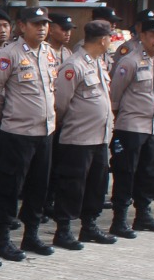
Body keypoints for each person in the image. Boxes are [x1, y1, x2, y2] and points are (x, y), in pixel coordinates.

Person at [0, 6, 57, 258]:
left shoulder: (49, 53)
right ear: (22, 26)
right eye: (36, 24)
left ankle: (31, 235)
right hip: (17, 132)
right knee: (10, 185)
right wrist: (3, 117)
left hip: (45, 131)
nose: (41, 29)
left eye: (44, 24)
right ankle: (2, 238)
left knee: (38, 185)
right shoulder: (9, 55)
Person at [50, 20, 117, 247]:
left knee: (97, 184)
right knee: (72, 185)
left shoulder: (98, 63)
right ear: (103, 40)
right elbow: (60, 104)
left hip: (100, 138)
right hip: (78, 137)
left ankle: (89, 226)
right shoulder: (74, 65)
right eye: (110, 37)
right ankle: (64, 229)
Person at [107, 18, 154, 238]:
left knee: (149, 172)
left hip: (152, 127)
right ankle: (119, 220)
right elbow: (115, 95)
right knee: (126, 173)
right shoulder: (130, 61)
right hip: (131, 126)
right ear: (142, 36)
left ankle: (143, 215)